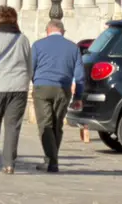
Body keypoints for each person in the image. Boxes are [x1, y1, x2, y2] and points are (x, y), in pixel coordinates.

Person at [0, 6, 32, 174]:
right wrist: (25, 81)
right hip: (19, 87)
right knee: (13, 126)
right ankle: (9, 163)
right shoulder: (23, 39)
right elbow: (29, 64)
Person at [31, 19, 84, 173]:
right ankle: (51, 160)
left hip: (42, 87)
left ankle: (52, 161)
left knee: (45, 124)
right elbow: (79, 75)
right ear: (63, 32)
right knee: (57, 124)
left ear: (47, 31)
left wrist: (36, 82)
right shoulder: (73, 47)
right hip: (63, 89)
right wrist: (79, 95)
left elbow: (31, 68)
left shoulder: (38, 45)